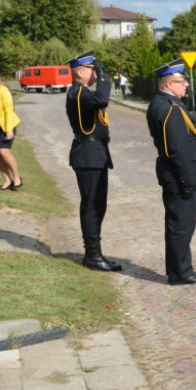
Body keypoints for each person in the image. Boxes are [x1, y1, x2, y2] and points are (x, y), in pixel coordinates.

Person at [146, 58, 196, 285]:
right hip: (181, 177)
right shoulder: (168, 108)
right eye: (181, 81)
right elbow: (177, 149)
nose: (186, 85)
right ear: (168, 84)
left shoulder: (166, 104)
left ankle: (180, 269)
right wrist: (187, 180)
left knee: (181, 224)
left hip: (180, 175)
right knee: (181, 226)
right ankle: (181, 272)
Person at [65, 51, 121, 272]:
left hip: (94, 153)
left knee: (98, 204)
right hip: (88, 154)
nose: (96, 72)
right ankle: (92, 255)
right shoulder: (78, 93)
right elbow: (102, 99)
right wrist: (104, 77)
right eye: (92, 68)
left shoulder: (82, 92)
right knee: (91, 206)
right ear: (80, 72)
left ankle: (95, 253)